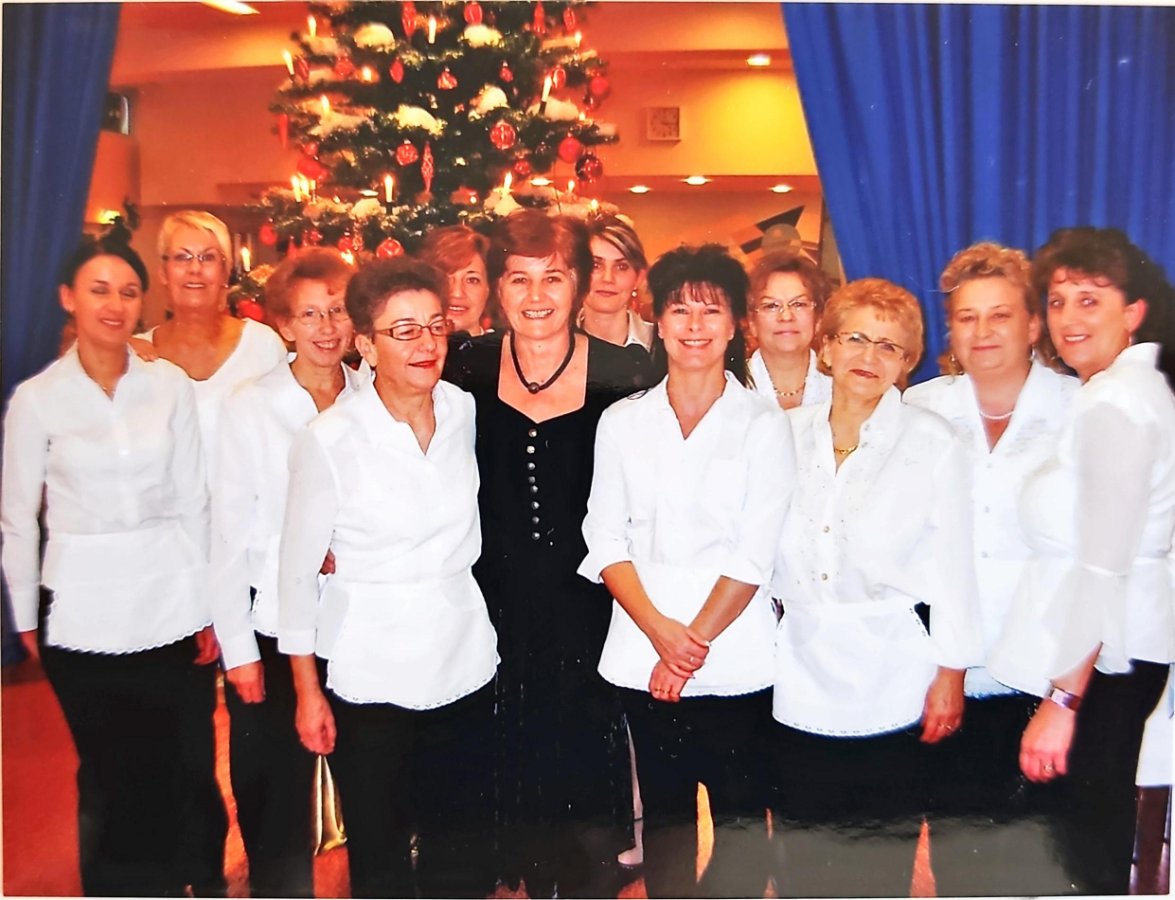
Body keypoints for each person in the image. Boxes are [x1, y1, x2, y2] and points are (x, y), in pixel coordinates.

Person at [443, 209, 650, 897]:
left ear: (578, 285)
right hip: (489, 600)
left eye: (553, 278)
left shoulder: (625, 372)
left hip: (589, 602)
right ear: (498, 289)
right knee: (500, 734)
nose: (536, 296)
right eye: (518, 278)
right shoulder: (464, 367)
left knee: (581, 739)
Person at [277, 257, 498, 898]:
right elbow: (296, 575)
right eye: (403, 331)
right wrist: (307, 693)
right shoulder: (330, 439)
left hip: (462, 656)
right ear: (367, 345)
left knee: (461, 846)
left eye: (434, 325)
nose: (426, 343)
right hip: (371, 671)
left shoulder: (462, 411)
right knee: (381, 856)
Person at [580, 244, 794, 897]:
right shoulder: (622, 421)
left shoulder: (763, 424)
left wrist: (687, 646)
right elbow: (603, 536)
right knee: (666, 820)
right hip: (643, 650)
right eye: (679, 310)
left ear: (734, 326)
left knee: (738, 823)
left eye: (711, 311)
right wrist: (661, 636)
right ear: (659, 320)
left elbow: (753, 552)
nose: (694, 325)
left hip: (734, 653)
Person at [1, 238, 211, 896]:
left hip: (173, 601)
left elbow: (194, 499)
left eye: (127, 291)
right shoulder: (38, 399)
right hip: (82, 610)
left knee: (183, 761)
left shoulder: (169, 385)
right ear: (69, 298)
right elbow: (15, 517)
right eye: (99, 290)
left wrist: (212, 605)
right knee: (111, 771)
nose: (114, 304)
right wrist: (24, 615)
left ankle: (191, 881)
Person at [769, 278, 983, 898]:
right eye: (856, 338)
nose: (869, 356)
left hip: (893, 673)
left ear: (906, 362)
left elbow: (956, 567)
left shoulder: (935, 443)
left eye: (889, 347)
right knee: (800, 854)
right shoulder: (781, 435)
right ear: (826, 348)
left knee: (879, 862)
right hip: (797, 670)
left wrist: (951, 673)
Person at [988, 226, 1175, 895]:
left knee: (1080, 854)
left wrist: (1063, 701)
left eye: (1089, 300)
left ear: (1134, 312)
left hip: (1104, 660)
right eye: (1058, 300)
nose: (1069, 317)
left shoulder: (1115, 401)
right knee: (1085, 847)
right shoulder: (1124, 389)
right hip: (1119, 647)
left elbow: (1102, 562)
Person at [903, 242, 1079, 894]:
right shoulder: (919, 409)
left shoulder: (1080, 408)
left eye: (999, 315)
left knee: (1044, 864)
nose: (982, 331)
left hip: (1050, 674)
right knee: (961, 859)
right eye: (966, 317)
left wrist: (1067, 694)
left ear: (1032, 324)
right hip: (951, 675)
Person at [141, 209, 288, 894]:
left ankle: (270, 873)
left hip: (252, 571)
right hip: (167, 576)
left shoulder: (265, 347)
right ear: (162, 271)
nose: (196, 269)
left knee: (259, 742)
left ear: (229, 268)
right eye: (182, 256)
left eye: (209, 256)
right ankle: (194, 870)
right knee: (179, 742)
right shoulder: (137, 355)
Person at [209, 248, 363, 897]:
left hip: (355, 620)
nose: (326, 327)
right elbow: (227, 533)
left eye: (338, 311)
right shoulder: (250, 406)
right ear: (284, 324)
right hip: (272, 623)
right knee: (274, 794)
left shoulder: (372, 394)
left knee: (364, 783)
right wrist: (238, 651)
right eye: (309, 315)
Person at [745, 249, 833, 409]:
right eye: (771, 306)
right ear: (752, 322)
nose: (786, 316)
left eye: (799, 304)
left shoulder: (841, 386)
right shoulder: (731, 388)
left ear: (819, 318)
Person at [580, 213, 655, 352]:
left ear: (638, 278)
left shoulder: (662, 346)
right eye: (595, 265)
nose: (608, 278)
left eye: (621, 267)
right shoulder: (554, 344)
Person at [417, 224, 493, 336]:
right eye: (445, 279)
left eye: (472, 280)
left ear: (488, 289)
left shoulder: (506, 346)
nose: (457, 294)